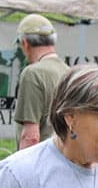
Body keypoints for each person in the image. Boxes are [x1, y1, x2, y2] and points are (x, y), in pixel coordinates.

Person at [14, 13, 70, 150]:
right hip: (67, 159)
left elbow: (31, 137)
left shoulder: (32, 74)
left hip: (42, 162)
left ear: (25, 44)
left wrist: (20, 169)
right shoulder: (69, 72)